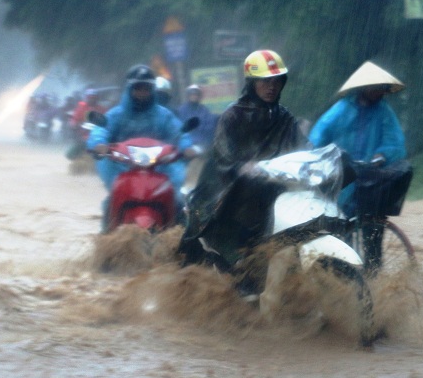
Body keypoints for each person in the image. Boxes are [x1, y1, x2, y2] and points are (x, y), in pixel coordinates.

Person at [178, 49, 307, 269]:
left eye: (276, 81)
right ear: (251, 83)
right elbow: (222, 155)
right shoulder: (233, 115)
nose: (271, 87)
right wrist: (241, 167)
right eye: (265, 81)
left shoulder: (284, 117)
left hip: (274, 187)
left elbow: (303, 147)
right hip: (230, 190)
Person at [308, 61, 413, 272]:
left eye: (383, 88)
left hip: (370, 179)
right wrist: (326, 158)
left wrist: (381, 156)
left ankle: (374, 277)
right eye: (376, 87)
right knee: (339, 230)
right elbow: (318, 137)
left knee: (373, 232)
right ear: (364, 88)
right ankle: (339, 274)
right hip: (342, 176)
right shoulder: (341, 110)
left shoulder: (384, 112)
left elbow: (395, 142)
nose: (381, 92)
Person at [86, 65, 197, 229]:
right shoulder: (116, 114)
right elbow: (101, 130)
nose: (142, 93)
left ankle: (183, 243)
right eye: (138, 88)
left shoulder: (163, 115)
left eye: (146, 89)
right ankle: (107, 240)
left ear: (152, 90)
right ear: (130, 89)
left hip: (160, 168)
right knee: (111, 201)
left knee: (178, 201)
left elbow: (179, 133)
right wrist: (99, 144)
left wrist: (187, 147)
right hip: (122, 167)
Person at [176, 84, 217, 149]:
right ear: (188, 96)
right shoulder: (181, 110)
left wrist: (205, 143)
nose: (194, 96)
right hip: (185, 146)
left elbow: (210, 128)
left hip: (202, 145)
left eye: (196, 94)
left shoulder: (205, 111)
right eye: (192, 94)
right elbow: (178, 129)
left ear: (199, 96)